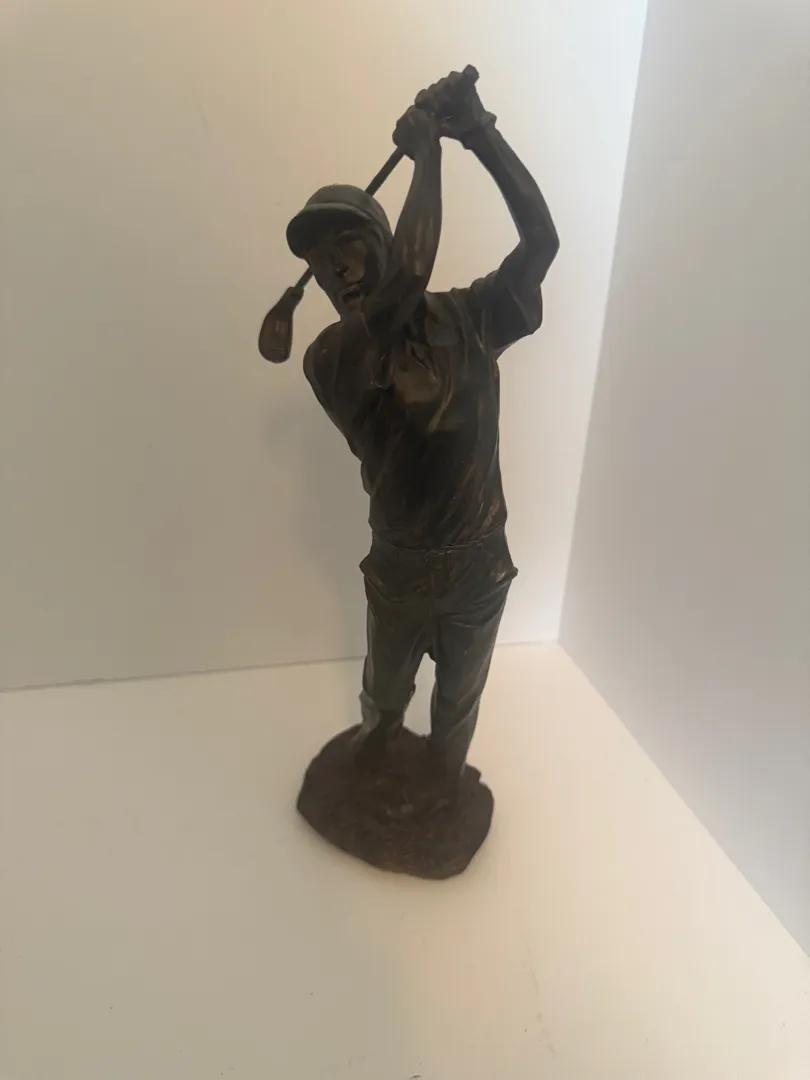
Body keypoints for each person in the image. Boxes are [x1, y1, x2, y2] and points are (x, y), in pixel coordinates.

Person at [287, 71, 559, 790]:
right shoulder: (333, 356)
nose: (335, 266)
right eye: (319, 260)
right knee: (382, 701)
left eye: (350, 242)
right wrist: (427, 154)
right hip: (401, 566)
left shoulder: (469, 318)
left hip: (480, 559)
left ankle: (440, 795)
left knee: (457, 709)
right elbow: (407, 277)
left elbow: (541, 242)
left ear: (386, 238)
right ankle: (369, 773)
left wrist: (479, 132)